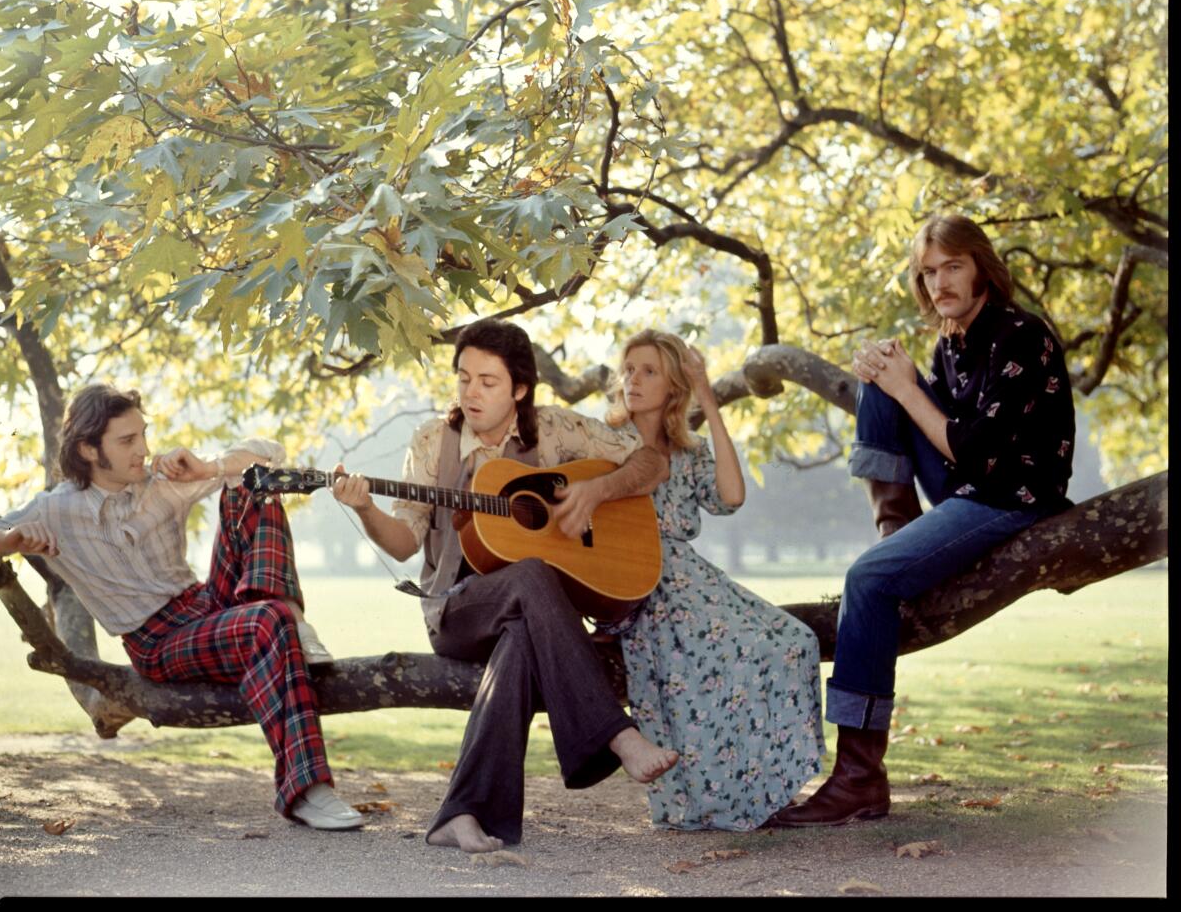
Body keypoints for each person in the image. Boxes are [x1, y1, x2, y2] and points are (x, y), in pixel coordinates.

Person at [769, 214, 1076, 828]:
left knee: (867, 580)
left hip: (1014, 498)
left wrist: (908, 388)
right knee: (880, 380)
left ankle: (859, 778)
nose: (940, 283)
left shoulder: (1020, 334)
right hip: (971, 487)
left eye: (953, 266)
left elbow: (974, 451)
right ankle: (896, 533)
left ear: (982, 267)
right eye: (929, 272)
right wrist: (890, 377)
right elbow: (927, 427)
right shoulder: (952, 342)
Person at [331, 319, 679, 853]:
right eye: (463, 378)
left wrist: (597, 492)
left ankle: (459, 816)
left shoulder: (557, 429)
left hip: (533, 617)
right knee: (532, 575)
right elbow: (403, 543)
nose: (471, 392)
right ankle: (617, 734)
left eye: (487, 381)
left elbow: (651, 461)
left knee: (520, 635)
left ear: (519, 388)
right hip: (457, 611)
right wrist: (364, 509)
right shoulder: (432, 442)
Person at [0, 384, 362, 831]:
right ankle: (306, 790)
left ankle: (293, 624)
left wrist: (210, 468)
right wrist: (11, 540)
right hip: (157, 640)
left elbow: (270, 455)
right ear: (88, 449)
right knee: (267, 621)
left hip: (204, 604)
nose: (143, 449)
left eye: (143, 435)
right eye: (127, 440)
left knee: (255, 483)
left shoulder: (163, 481)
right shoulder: (55, 508)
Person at [604, 329, 824, 830]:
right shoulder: (604, 441)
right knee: (725, 659)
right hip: (638, 582)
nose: (633, 379)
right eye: (629, 369)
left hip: (692, 578)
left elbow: (731, 496)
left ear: (673, 387)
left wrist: (706, 394)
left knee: (794, 642)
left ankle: (761, 791)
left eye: (649, 371)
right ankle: (708, 798)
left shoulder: (689, 448)